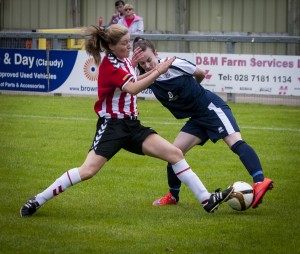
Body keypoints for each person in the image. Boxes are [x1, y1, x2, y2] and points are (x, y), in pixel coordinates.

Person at [20, 24, 233, 217]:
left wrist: (149, 70)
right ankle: (38, 199)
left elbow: (135, 79)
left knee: (175, 154)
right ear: (111, 46)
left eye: (129, 41)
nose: (129, 46)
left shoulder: (124, 61)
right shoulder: (110, 65)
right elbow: (132, 87)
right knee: (87, 171)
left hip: (132, 126)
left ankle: (206, 200)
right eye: (124, 43)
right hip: (112, 127)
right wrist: (159, 70)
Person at [132, 37, 274, 208]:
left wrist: (195, 90)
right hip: (196, 118)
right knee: (173, 153)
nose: (147, 65)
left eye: (149, 60)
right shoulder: (146, 76)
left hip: (210, 108)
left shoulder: (174, 63)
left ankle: (259, 181)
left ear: (156, 53)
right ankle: (173, 196)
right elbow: (131, 86)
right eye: (142, 63)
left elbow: (200, 73)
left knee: (235, 143)